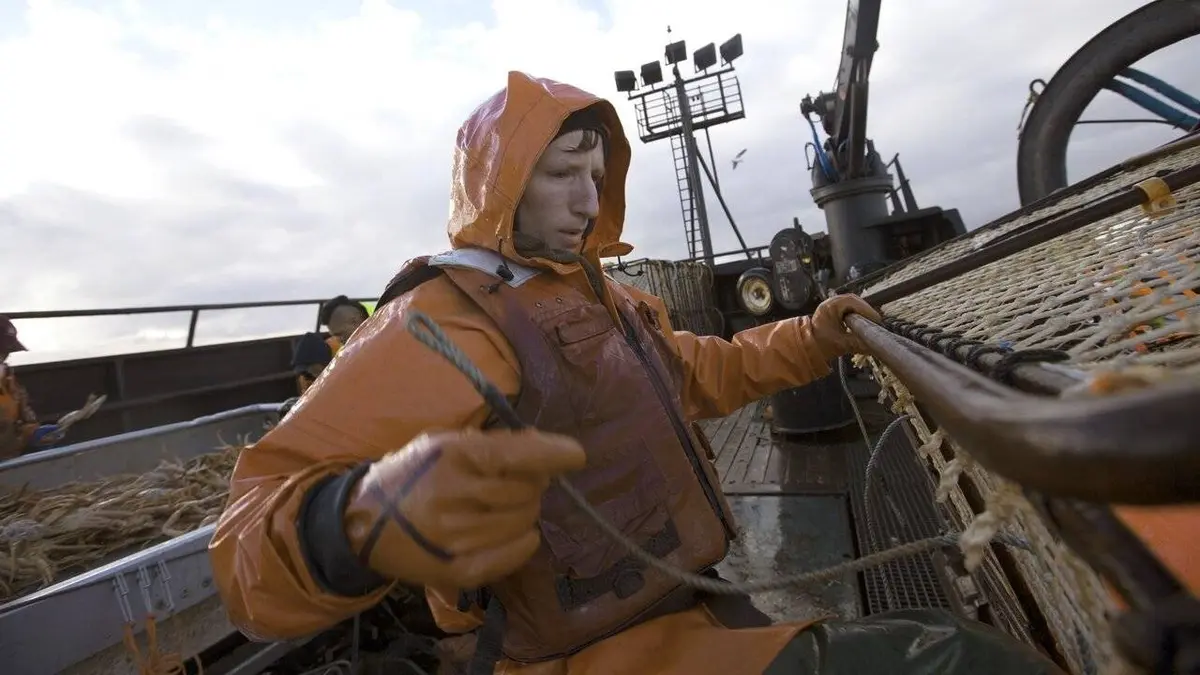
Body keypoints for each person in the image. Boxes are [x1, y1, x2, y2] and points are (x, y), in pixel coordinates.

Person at [209, 72, 1064, 674]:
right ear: (500, 185)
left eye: (595, 174)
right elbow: (247, 541)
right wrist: (353, 523)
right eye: (560, 174)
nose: (588, 199)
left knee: (943, 639)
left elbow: (702, 369)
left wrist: (816, 334)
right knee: (959, 659)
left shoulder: (607, 297)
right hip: (587, 656)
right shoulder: (439, 320)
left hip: (689, 604)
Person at [0, 316, 60, 459]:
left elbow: (21, 419)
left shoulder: (9, 382)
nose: (4, 359)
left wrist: (34, 433)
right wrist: (26, 438)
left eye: (5, 353)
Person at [291, 295, 371, 395]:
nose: (340, 340)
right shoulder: (348, 354)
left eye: (340, 334)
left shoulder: (381, 347)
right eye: (335, 336)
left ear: (355, 321)